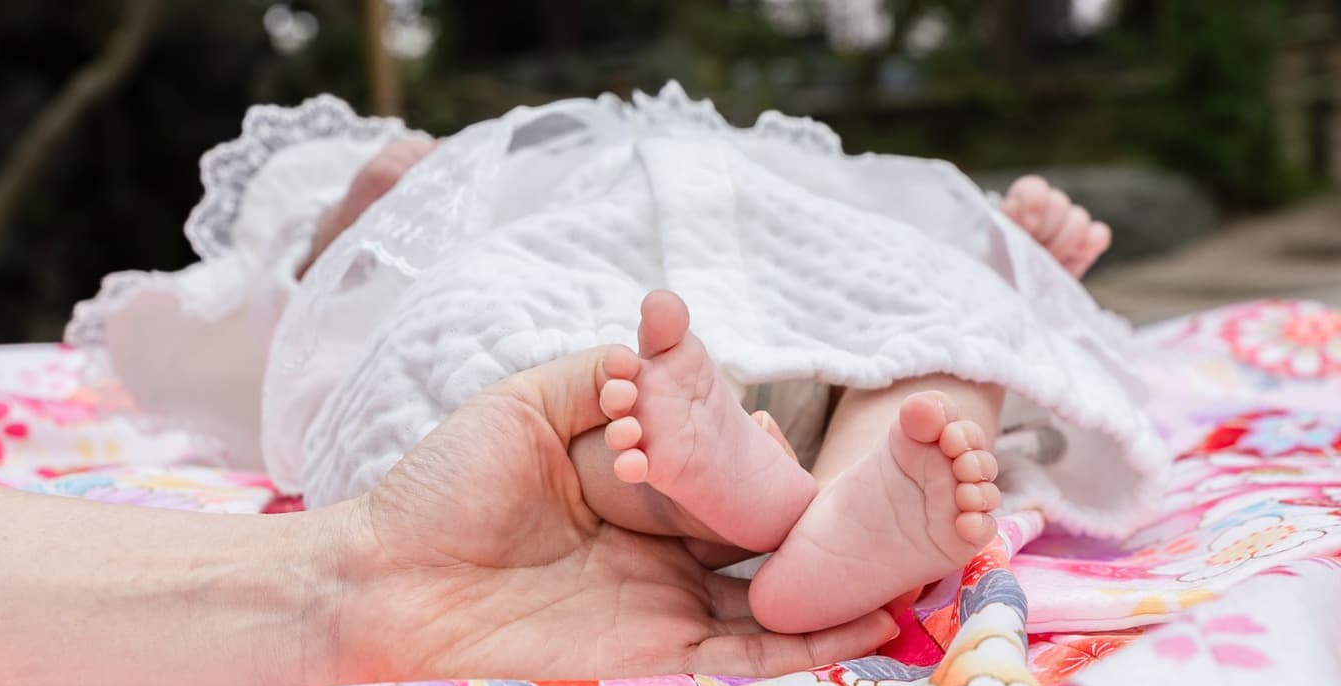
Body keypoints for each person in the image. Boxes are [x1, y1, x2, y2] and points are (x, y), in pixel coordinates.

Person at [71, 84, 1167, 644]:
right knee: (555, 409)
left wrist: (1007, 243)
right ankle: (758, 502)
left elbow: (894, 227)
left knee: (943, 315)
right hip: (658, 370)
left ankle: (839, 509)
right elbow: (310, 328)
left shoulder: (628, 167)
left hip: (739, 345)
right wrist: (360, 212)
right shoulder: (462, 214)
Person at [0, 344, 900, 686]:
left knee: (618, 458)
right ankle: (824, 509)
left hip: (582, 396)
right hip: (729, 374)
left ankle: (757, 509)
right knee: (925, 367)